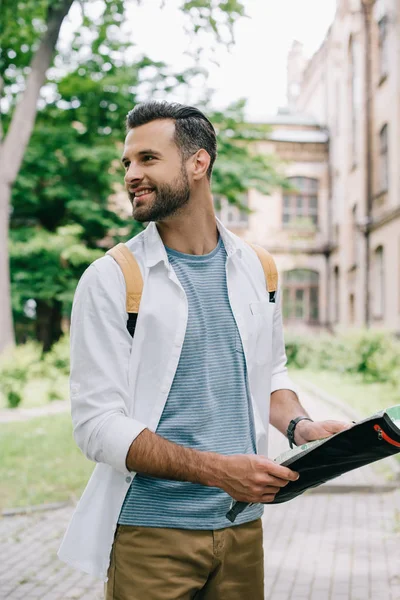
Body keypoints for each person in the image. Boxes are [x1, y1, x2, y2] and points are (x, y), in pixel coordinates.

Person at [58, 101, 350, 599]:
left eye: (148, 159)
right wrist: (220, 470)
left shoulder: (259, 269)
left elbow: (269, 375)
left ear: (199, 163)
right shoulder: (111, 279)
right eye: (127, 163)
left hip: (242, 530)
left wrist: (301, 426)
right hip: (152, 535)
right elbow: (96, 426)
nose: (132, 174)